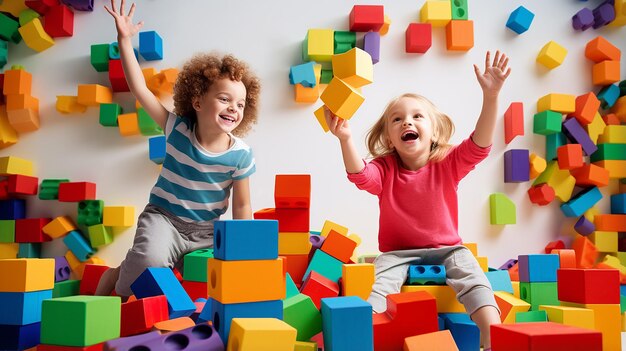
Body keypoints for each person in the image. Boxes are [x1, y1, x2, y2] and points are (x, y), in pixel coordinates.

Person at [324, 51, 511, 349]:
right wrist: (345, 138)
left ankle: (492, 334)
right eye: (397, 120)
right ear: (389, 137)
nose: (406, 122)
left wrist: (491, 96)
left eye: (416, 116)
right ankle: (363, 335)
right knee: (381, 289)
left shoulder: (448, 162)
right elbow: (360, 176)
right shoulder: (385, 170)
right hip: (397, 254)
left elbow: (480, 145)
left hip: (448, 249)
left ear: (434, 131)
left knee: (473, 277)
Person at [95, 0, 260, 298]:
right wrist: (125, 39)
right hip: (164, 220)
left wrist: (244, 247)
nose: (233, 109)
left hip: (207, 232)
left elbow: (242, 206)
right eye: (224, 99)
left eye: (240, 104)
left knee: (210, 282)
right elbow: (140, 89)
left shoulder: (241, 154)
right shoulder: (177, 129)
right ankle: (116, 279)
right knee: (148, 263)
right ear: (197, 102)